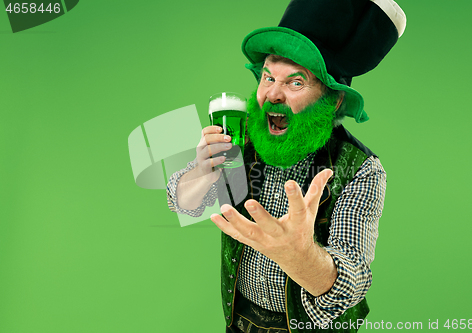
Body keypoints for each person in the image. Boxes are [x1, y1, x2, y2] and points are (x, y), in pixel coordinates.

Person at [167, 0, 406, 332]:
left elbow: (353, 282)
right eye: (268, 77)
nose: (272, 94)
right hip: (241, 322)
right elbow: (184, 204)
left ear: (332, 99)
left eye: (295, 82)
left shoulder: (360, 168)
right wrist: (199, 172)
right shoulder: (240, 139)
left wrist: (301, 255)